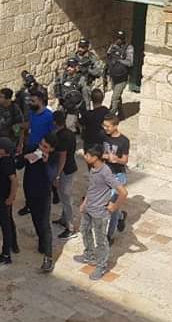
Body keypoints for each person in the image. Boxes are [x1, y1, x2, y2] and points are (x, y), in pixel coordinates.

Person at [75, 145, 128, 281]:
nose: (85, 157)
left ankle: (101, 266)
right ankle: (89, 255)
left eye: (87, 155)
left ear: (95, 158)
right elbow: (92, 187)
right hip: (89, 208)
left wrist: (114, 206)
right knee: (84, 230)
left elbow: (123, 192)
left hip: (99, 212)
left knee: (101, 241)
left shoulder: (106, 173)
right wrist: (84, 203)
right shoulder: (93, 169)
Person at [20, 132, 55, 273]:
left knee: (44, 223)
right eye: (41, 144)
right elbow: (18, 163)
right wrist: (25, 157)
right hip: (30, 191)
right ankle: (42, 243)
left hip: (43, 194)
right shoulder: (32, 148)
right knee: (35, 219)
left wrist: (46, 162)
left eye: (45, 146)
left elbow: (52, 176)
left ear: (51, 149)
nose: (41, 147)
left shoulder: (53, 158)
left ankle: (48, 257)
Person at [17, 91, 54, 217]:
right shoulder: (32, 113)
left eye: (33, 101)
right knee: (27, 181)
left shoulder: (49, 116)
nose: (30, 103)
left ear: (41, 101)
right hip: (30, 148)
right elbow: (30, 125)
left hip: (41, 152)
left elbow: (52, 136)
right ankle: (29, 204)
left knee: (40, 181)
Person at [50, 114, 80, 239]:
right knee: (63, 197)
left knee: (66, 198)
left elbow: (62, 157)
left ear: (55, 123)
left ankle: (71, 228)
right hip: (70, 168)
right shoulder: (69, 133)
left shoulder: (61, 136)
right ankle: (64, 219)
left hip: (65, 171)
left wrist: (57, 176)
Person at [0, 138, 20, 265]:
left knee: (5, 224)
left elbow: (14, 181)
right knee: (9, 219)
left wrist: (11, 197)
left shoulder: (5, 163)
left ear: (3, 150)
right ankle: (14, 244)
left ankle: (6, 254)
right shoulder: (4, 159)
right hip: (2, 195)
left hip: (4, 197)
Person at [102, 114, 131, 242]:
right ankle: (120, 216)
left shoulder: (124, 141)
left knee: (113, 206)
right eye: (104, 126)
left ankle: (110, 235)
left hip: (118, 176)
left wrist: (116, 159)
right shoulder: (103, 136)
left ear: (115, 126)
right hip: (106, 173)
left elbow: (124, 160)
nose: (105, 128)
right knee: (106, 202)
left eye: (108, 126)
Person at [105, 30, 134, 118]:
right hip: (114, 76)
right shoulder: (112, 46)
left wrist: (119, 60)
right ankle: (121, 113)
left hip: (123, 77)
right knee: (117, 95)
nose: (118, 40)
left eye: (120, 39)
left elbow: (130, 63)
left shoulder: (129, 48)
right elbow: (108, 56)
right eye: (117, 38)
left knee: (114, 97)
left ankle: (111, 116)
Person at [54, 58, 87, 134]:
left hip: (74, 108)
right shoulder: (63, 77)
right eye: (68, 66)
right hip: (63, 104)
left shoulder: (81, 79)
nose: (69, 68)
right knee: (58, 123)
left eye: (71, 67)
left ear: (76, 68)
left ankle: (72, 141)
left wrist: (84, 111)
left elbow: (85, 96)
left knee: (69, 126)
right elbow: (58, 87)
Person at [72, 39, 103, 103]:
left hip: (86, 85)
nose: (80, 49)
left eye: (82, 47)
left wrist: (87, 70)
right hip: (75, 83)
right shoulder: (74, 56)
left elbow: (98, 72)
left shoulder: (91, 57)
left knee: (86, 105)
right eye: (79, 47)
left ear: (87, 48)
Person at [79, 89, 110, 153]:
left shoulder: (88, 115)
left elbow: (80, 124)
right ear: (102, 98)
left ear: (91, 99)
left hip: (90, 143)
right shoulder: (106, 111)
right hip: (104, 143)